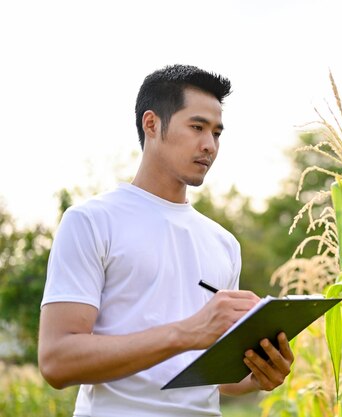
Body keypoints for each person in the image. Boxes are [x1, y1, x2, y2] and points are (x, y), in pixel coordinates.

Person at [38, 64, 294, 416]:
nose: (209, 145)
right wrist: (186, 332)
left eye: (217, 133)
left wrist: (258, 373)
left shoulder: (223, 243)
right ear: (152, 124)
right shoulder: (91, 222)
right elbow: (56, 361)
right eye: (197, 127)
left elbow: (216, 377)